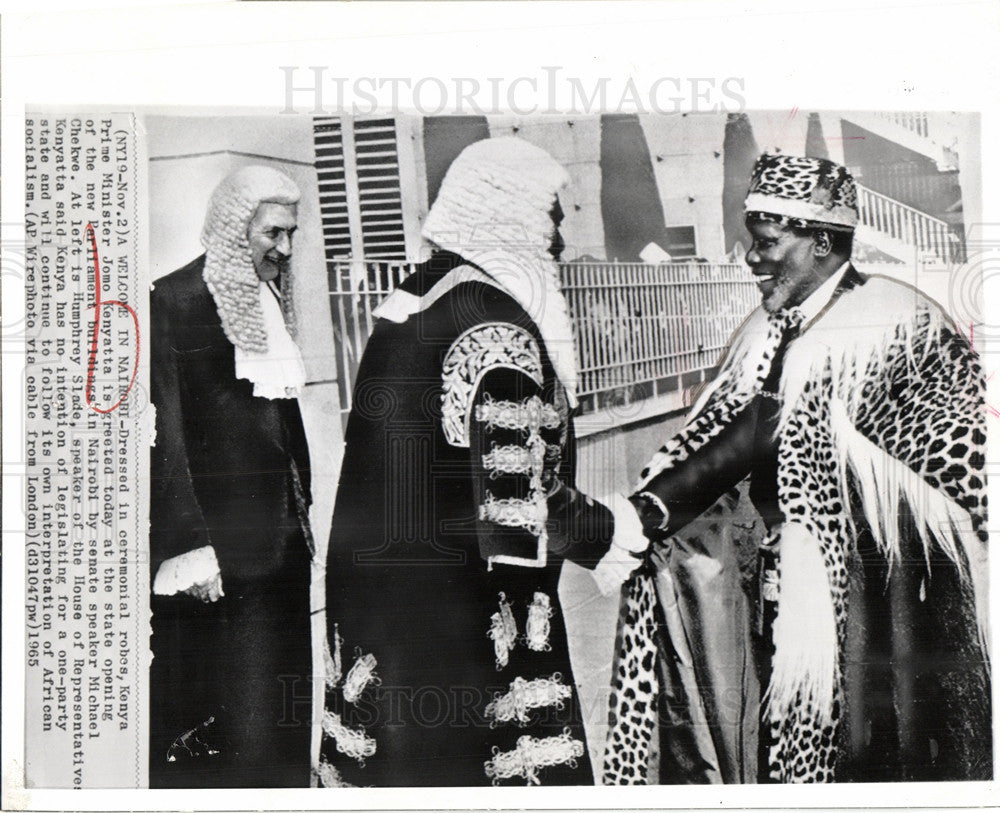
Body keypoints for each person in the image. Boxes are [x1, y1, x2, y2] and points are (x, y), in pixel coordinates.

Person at [603, 154, 990, 784]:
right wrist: (647, 514)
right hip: (769, 602)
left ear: (820, 243)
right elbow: (722, 434)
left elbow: (969, 475)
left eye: (766, 244)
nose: (751, 261)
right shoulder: (760, 331)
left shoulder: (900, 324)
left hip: (878, 618)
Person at [319, 137, 646, 788]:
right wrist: (615, 532)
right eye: (549, 215)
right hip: (458, 628)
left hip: (380, 608)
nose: (557, 238)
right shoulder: (496, 326)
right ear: (509, 214)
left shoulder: (410, 299)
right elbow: (517, 511)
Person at [149, 165, 314, 788]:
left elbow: (281, 426)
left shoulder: (268, 299)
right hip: (221, 564)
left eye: (292, 233)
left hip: (281, 552)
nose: (286, 248)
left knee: (282, 724)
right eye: (274, 232)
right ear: (232, 227)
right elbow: (166, 434)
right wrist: (190, 547)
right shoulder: (177, 300)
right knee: (236, 735)